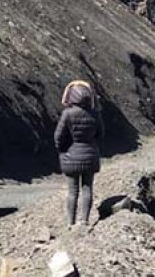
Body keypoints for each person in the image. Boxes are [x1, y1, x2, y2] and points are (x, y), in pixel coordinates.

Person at [54, 80, 103, 228]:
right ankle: (85, 221)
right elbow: (101, 134)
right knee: (87, 188)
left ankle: (70, 223)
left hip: (71, 157)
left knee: (72, 191)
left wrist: (63, 150)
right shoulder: (95, 114)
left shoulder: (67, 114)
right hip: (90, 156)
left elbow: (58, 137)